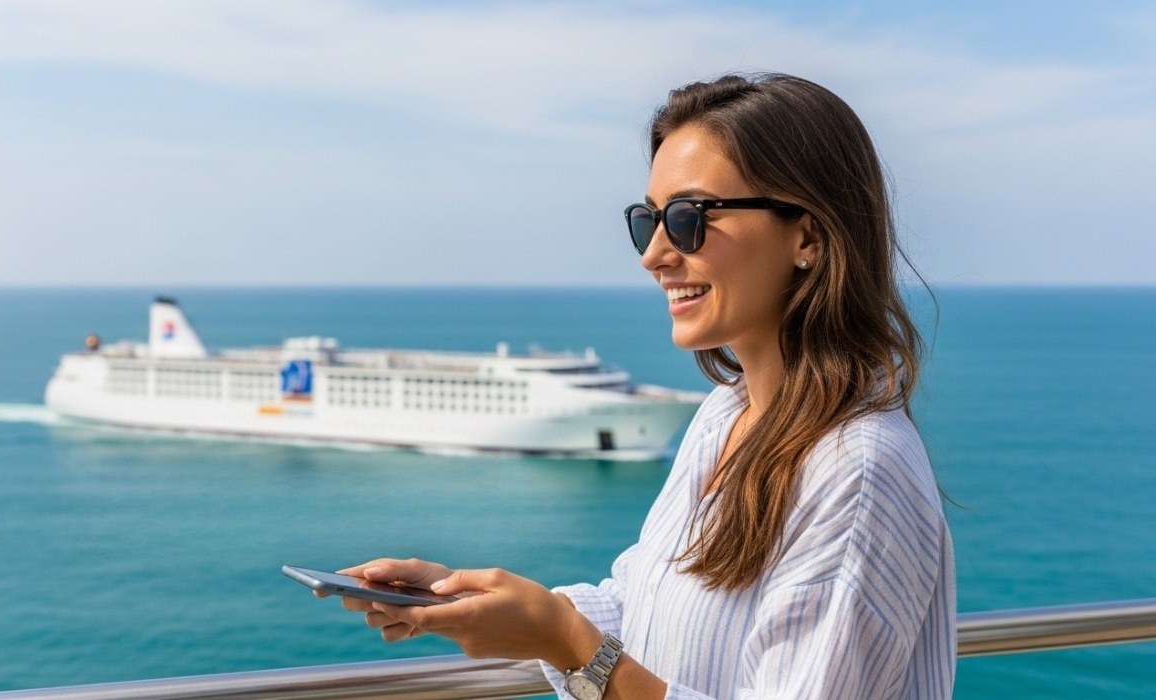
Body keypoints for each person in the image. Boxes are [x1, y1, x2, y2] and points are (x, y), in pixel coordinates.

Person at [325, 73, 956, 699]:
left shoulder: (858, 468)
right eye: (647, 221)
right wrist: (479, 600)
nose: (653, 254)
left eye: (688, 218)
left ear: (808, 237)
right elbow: (646, 600)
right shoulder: (727, 415)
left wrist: (568, 643)